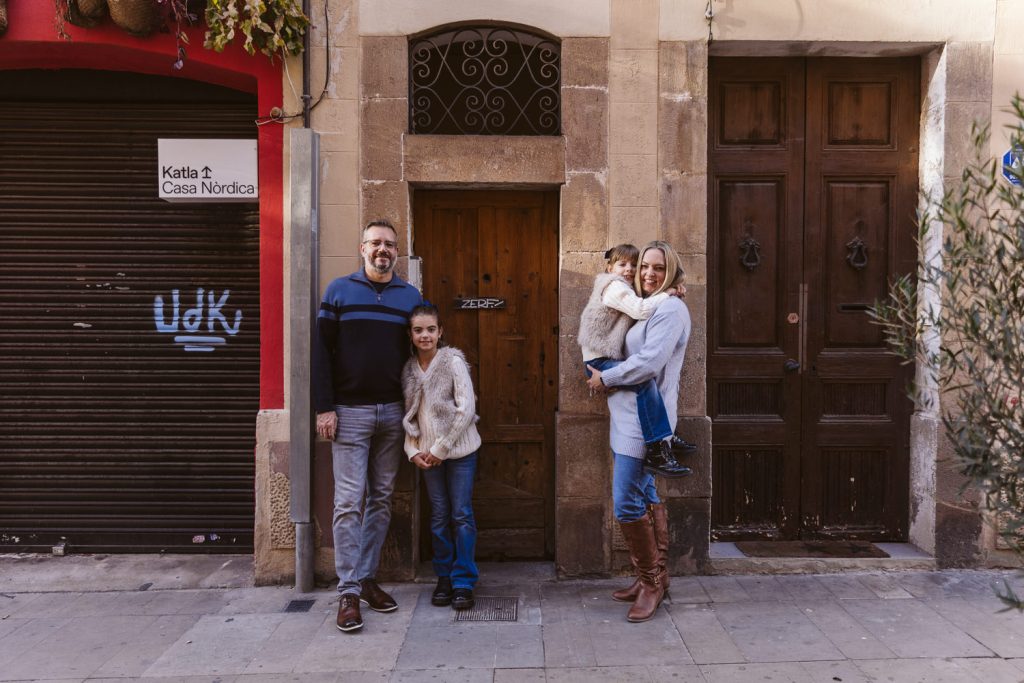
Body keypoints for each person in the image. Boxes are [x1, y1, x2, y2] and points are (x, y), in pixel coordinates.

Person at [313, 219, 424, 633]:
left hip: (393, 413)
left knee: (380, 498)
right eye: (376, 243)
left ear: (398, 252)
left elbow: (418, 356)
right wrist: (325, 407)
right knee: (347, 502)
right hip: (350, 413)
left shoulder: (409, 296)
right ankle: (347, 592)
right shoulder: (339, 291)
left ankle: (367, 579)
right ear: (362, 249)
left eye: (390, 245)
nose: (383, 250)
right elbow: (322, 354)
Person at [586, 240, 691, 623]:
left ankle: (651, 582)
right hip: (626, 417)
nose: (648, 274)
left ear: (672, 272)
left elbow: (649, 363)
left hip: (644, 425)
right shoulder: (647, 304)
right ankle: (653, 576)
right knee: (645, 494)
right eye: (645, 266)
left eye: (659, 269)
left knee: (626, 502)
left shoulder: (671, 309)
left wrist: (606, 378)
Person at [578, 243, 695, 478]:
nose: (630, 270)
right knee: (644, 383)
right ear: (610, 268)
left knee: (645, 382)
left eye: (634, 264)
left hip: (607, 365)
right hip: (599, 361)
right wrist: (668, 292)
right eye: (623, 265)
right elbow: (641, 310)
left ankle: (662, 439)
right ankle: (659, 443)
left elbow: (650, 359)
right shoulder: (614, 287)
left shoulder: (641, 295)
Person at [400, 304, 483, 611]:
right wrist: (412, 451)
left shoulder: (452, 361)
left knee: (460, 514)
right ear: (410, 334)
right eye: (419, 330)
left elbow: (467, 408)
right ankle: (444, 577)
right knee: (438, 516)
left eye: (431, 329)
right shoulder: (409, 369)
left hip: (459, 452)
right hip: (425, 455)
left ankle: (463, 580)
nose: (425, 335)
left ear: (440, 332)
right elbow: (410, 415)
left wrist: (440, 449)